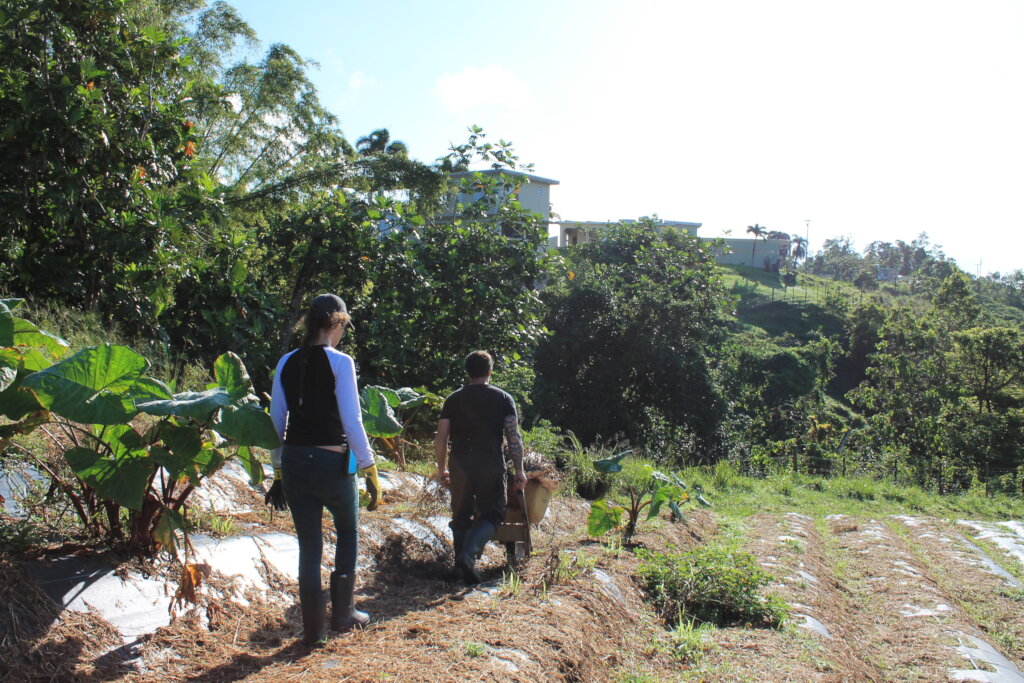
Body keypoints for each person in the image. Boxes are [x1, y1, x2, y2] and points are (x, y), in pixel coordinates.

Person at [265, 293, 382, 647]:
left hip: (295, 465)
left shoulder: (286, 361)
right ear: (337, 322)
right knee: (347, 530)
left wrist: (278, 469)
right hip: (333, 466)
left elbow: (276, 421)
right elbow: (352, 421)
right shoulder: (341, 362)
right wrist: (369, 467)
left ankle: (314, 631)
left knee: (309, 546)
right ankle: (343, 615)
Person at [434, 350, 526, 584]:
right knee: (493, 513)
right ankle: (468, 555)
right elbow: (513, 437)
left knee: (460, 514)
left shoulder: (453, 399)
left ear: (468, 372)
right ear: (490, 372)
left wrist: (441, 468)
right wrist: (519, 470)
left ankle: (459, 568)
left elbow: (441, 438)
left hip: (460, 463)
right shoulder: (503, 398)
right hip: (490, 463)